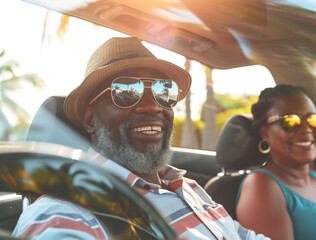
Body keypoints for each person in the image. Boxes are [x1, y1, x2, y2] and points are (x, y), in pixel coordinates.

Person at [13, 37, 269, 240]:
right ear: (91, 120)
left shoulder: (187, 187)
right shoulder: (64, 214)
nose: (153, 106)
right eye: (126, 91)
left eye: (163, 91)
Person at [235, 84, 316, 240]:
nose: (306, 129)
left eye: (313, 120)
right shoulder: (260, 185)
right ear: (265, 132)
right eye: (291, 121)